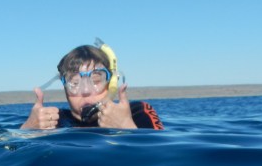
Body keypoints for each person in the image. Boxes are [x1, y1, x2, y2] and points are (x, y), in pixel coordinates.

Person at [21, 44, 163, 130]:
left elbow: (161, 158)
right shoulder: (54, 121)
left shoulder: (138, 113)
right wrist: (27, 129)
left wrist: (126, 127)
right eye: (75, 83)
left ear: (111, 83)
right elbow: (9, 154)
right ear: (65, 88)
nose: (86, 91)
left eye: (95, 81)